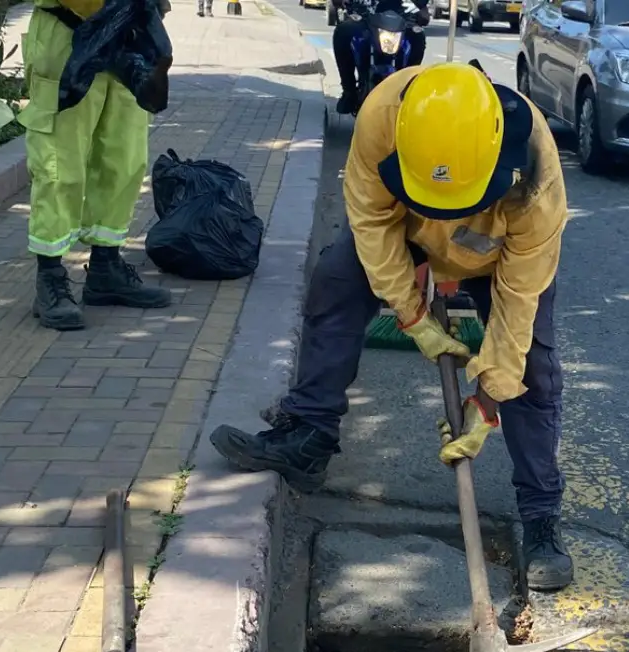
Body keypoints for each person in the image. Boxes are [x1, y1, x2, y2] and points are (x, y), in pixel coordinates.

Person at [209, 62, 576, 591]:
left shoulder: (535, 176)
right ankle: (308, 435)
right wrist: (414, 315)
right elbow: (373, 224)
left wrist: (487, 400)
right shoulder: (382, 118)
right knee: (336, 280)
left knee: (532, 366)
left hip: (495, 253)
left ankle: (540, 515)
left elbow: (519, 300)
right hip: (407, 229)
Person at [20, 0, 174, 331]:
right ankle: (49, 278)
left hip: (126, 37)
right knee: (59, 165)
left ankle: (106, 267)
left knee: (123, 160)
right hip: (66, 37)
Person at [333, 0, 428, 114]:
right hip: (363, 14)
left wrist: (420, 6)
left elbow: (420, 7)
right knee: (343, 31)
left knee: (418, 35)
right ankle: (349, 90)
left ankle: (407, 88)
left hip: (397, 18)